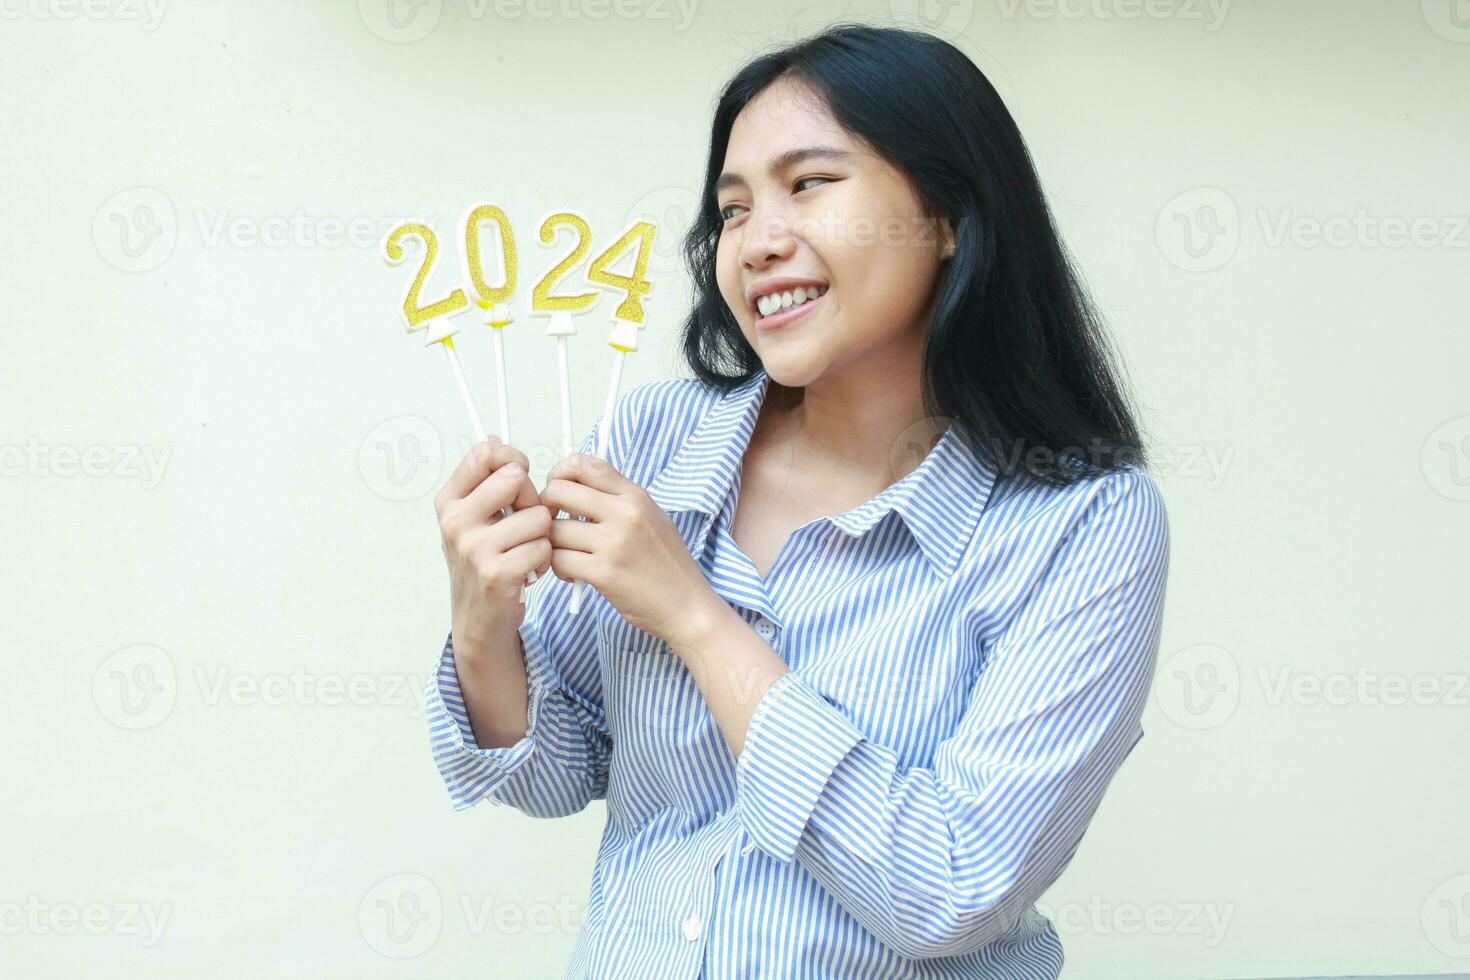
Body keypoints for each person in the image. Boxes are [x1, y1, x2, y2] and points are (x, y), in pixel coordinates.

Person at [426, 23, 1170, 978]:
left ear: (946, 216)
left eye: (809, 183)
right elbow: (559, 769)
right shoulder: (653, 441)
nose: (759, 242)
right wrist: (483, 626)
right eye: (732, 210)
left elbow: (949, 889)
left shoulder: (1082, 527)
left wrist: (696, 615)